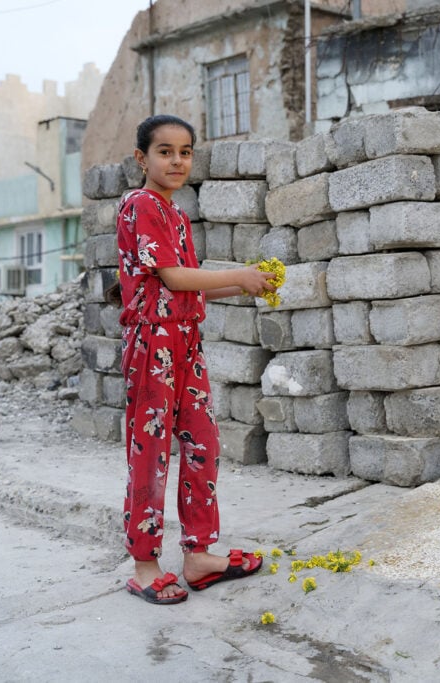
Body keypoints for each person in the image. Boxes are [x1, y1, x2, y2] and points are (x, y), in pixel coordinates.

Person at [115, 114, 277, 604]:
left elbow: (189, 289)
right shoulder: (140, 205)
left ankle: (199, 555)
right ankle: (144, 565)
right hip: (152, 346)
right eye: (165, 151)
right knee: (151, 452)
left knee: (202, 443)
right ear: (142, 159)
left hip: (186, 341)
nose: (177, 160)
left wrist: (249, 285)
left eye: (185, 152)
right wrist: (240, 273)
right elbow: (174, 279)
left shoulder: (177, 215)